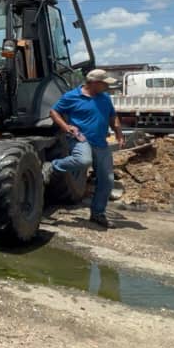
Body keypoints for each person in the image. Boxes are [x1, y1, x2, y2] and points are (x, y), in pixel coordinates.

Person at [47, 69, 124, 229]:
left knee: (107, 180)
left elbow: (112, 116)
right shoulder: (71, 96)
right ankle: (53, 166)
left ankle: (97, 214)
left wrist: (119, 133)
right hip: (80, 138)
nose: (107, 86)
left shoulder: (105, 98)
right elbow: (54, 111)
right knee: (83, 160)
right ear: (95, 83)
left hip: (100, 142)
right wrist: (66, 126)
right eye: (104, 83)